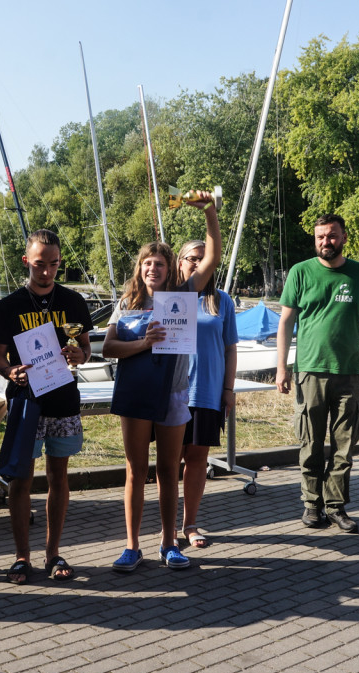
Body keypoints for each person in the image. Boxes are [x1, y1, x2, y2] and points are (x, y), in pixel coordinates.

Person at [102, 190, 221, 572]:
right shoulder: (126, 304)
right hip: (135, 396)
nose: (153, 269)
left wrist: (209, 213)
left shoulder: (184, 297)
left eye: (160, 264)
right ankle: (132, 546)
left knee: (168, 470)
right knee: (136, 471)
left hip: (173, 395)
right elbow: (107, 349)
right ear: (139, 268)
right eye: (147, 264)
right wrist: (144, 343)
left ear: (170, 269)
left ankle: (169, 543)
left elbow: (212, 258)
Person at [0, 229, 93, 584]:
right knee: (21, 481)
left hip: (63, 400)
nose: (47, 272)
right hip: (25, 403)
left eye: (53, 264)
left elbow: (85, 349)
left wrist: (80, 354)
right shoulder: (8, 306)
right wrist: (11, 371)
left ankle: (53, 553)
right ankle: (22, 556)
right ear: (26, 261)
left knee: (58, 478)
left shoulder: (74, 301)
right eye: (39, 264)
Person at [275, 213, 359, 534]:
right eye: (321, 236)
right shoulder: (301, 272)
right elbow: (285, 323)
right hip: (310, 371)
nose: (326, 242)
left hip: (349, 372)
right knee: (310, 442)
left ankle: (336, 507)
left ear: (344, 237)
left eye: (332, 236)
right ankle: (312, 505)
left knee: (344, 445)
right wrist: (282, 368)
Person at [176, 240, 238, 549]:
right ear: (180, 262)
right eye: (192, 259)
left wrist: (228, 389)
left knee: (197, 459)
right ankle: (165, 528)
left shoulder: (222, 301)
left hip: (207, 392)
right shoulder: (170, 298)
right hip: (173, 394)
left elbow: (230, 349)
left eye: (204, 260)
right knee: (167, 462)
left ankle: (189, 524)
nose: (198, 265)